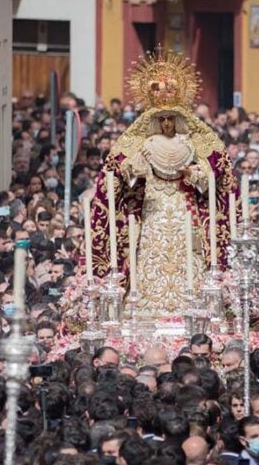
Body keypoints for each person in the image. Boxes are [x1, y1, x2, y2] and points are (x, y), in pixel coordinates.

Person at [89, 48, 234, 317]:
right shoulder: (145, 142)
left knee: (188, 252)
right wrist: (135, 168)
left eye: (171, 118)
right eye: (162, 119)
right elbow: (122, 171)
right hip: (153, 207)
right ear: (155, 120)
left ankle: (192, 305)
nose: (167, 123)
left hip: (183, 206)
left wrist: (196, 173)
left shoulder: (190, 142)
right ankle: (145, 305)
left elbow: (215, 170)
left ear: (178, 119)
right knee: (150, 250)